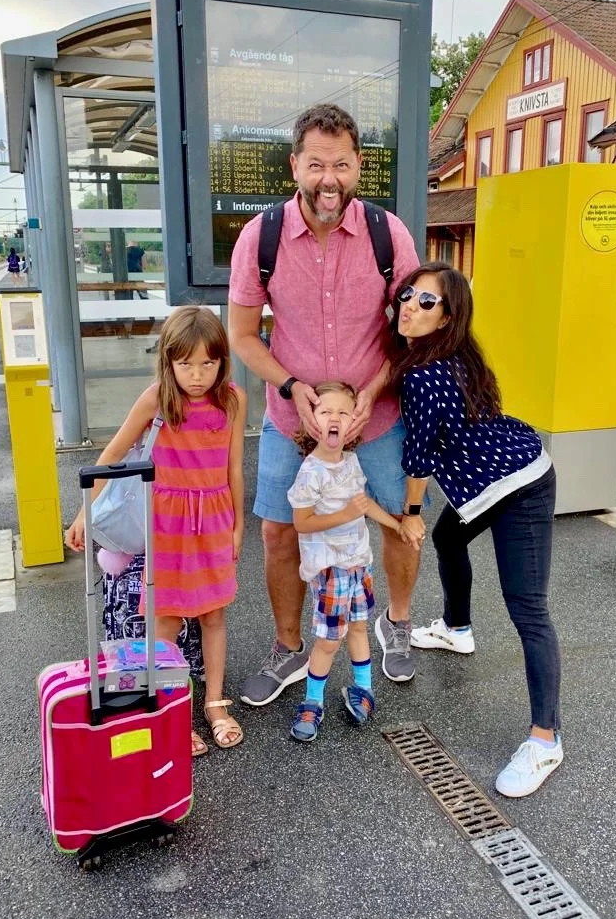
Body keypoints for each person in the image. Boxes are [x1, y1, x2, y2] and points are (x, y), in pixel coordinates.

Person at [228, 102, 422, 706]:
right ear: (294, 167)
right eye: (316, 164)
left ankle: (396, 622)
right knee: (279, 532)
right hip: (293, 421)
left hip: (379, 419)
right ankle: (290, 646)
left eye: (341, 164)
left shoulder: (389, 235)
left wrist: (375, 389)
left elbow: (415, 330)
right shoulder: (260, 238)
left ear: (359, 165)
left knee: (398, 522)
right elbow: (242, 336)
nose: (329, 179)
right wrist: (291, 386)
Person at [391, 262, 563, 798]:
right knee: (450, 538)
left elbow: (418, 456)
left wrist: (411, 513)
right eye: (408, 294)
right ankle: (457, 628)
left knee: (528, 610)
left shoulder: (424, 374)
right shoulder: (449, 354)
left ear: (447, 317)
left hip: (522, 485)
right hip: (489, 482)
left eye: (427, 302)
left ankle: (545, 739)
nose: (410, 306)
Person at [65, 305, 246, 757]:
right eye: (186, 364)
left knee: (213, 615)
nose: (197, 375)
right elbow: (113, 453)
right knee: (166, 618)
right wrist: (84, 513)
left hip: (214, 520)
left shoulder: (233, 400)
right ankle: (172, 709)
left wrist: (238, 525)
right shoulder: (156, 399)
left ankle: (214, 703)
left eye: (208, 363)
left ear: (223, 361)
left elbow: (234, 468)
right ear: (168, 361)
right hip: (167, 526)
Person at [287, 382, 402, 742]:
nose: (334, 418)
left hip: (358, 564)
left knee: (358, 628)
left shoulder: (351, 461)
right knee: (328, 641)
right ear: (311, 421)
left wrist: (398, 526)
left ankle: (364, 689)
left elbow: (363, 505)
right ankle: (312, 701)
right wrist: (346, 514)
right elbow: (302, 522)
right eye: (325, 412)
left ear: (354, 421)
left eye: (343, 412)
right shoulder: (311, 471)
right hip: (331, 569)